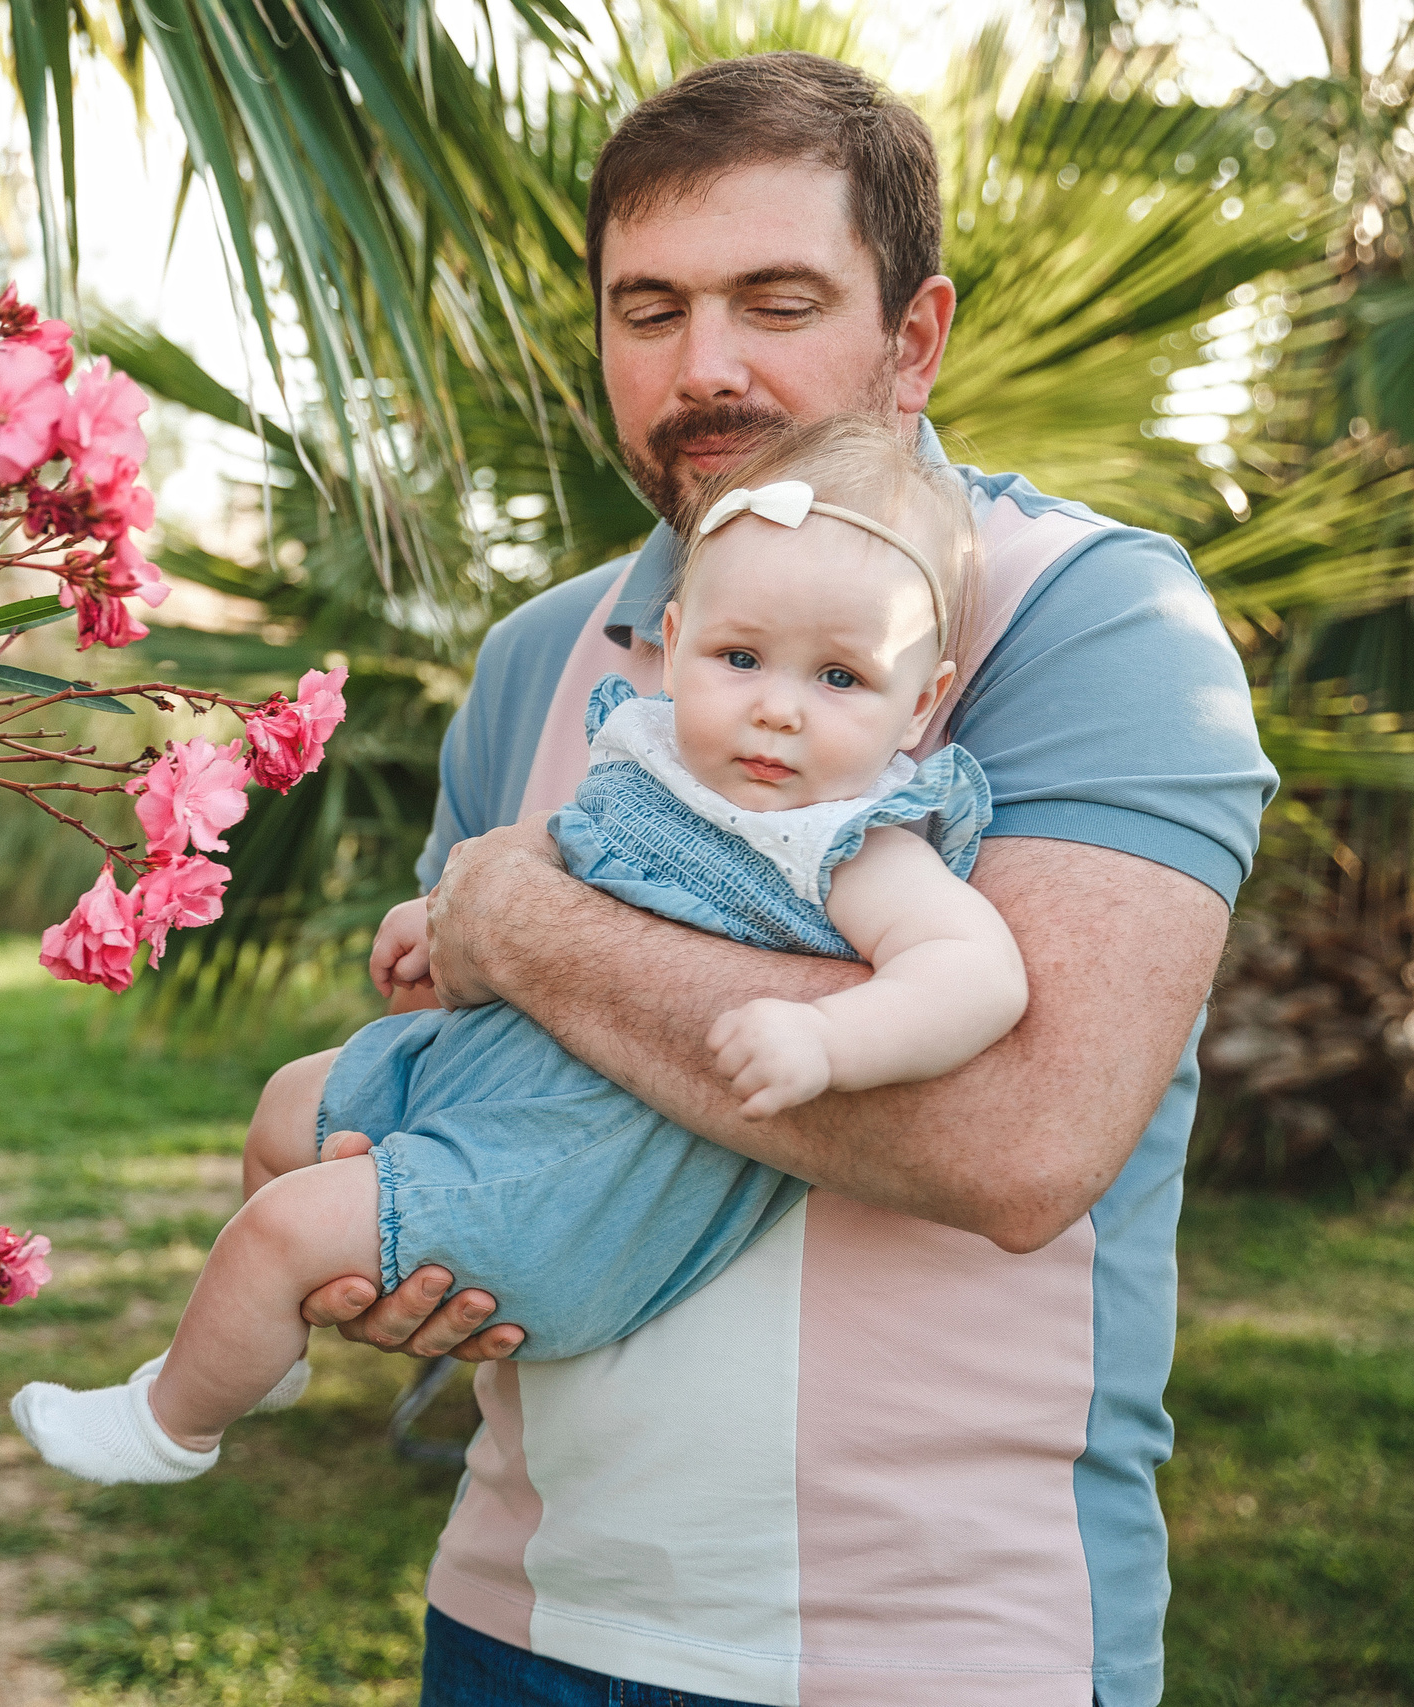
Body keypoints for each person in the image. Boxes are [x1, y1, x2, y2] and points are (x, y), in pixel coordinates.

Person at [291, 51, 1270, 1707]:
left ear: (916, 337)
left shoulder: (1094, 617)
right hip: (521, 1617)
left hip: (943, 1653)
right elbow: (485, 1078)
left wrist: (523, 920)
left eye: (777, 299)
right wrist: (383, 1216)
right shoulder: (544, 655)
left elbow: (1021, 1137)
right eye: (649, 307)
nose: (706, 366)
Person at [12, 417, 1029, 1486]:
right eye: (740, 658)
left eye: (839, 679)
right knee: (280, 1114)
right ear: (674, 642)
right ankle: (261, 1356)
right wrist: (441, 912)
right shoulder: (647, 761)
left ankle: (171, 1426)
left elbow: (973, 973)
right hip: (496, 1073)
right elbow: (550, 841)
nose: (776, 708)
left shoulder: (850, 844)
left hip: (581, 1169)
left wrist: (829, 1039)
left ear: (917, 703)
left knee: (282, 1229)